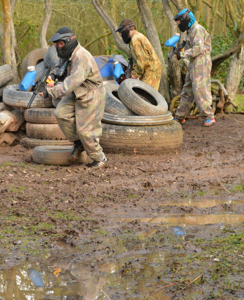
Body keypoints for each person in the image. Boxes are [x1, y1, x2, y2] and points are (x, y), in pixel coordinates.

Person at [40, 27, 107, 168]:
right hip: (77, 91)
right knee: (61, 113)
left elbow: (70, 84)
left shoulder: (81, 57)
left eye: (60, 44)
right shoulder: (69, 53)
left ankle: (99, 159)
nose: (58, 47)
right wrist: (52, 76)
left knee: (85, 130)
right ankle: (79, 143)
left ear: (70, 40)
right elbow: (59, 66)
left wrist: (49, 92)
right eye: (56, 44)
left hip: (91, 94)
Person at [173, 9, 215, 127]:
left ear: (186, 20)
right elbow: (189, 46)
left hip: (201, 61)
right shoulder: (190, 31)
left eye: (179, 22)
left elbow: (197, 49)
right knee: (187, 89)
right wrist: (180, 49)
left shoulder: (197, 29)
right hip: (194, 61)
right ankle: (180, 116)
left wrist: (182, 54)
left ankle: (209, 116)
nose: (179, 25)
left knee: (200, 89)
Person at [116, 19, 162, 91]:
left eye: (121, 33)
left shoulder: (135, 39)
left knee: (146, 96)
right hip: (152, 68)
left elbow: (142, 61)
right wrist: (136, 67)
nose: (121, 36)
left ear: (126, 30)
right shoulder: (139, 35)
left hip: (151, 70)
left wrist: (135, 74)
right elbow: (145, 57)